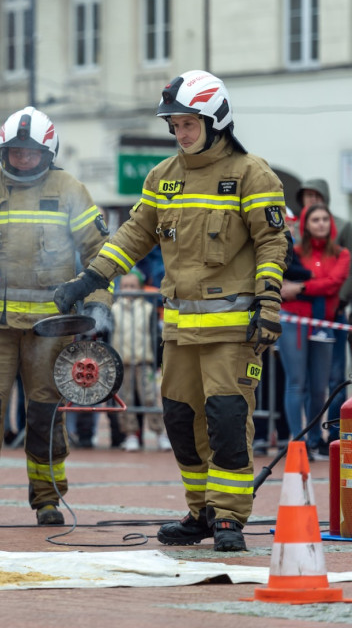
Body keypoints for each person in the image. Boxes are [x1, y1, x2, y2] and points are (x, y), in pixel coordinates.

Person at [54, 70, 289, 551]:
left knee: (227, 421)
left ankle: (229, 520)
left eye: (188, 124)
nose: (179, 134)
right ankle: (200, 512)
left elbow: (272, 241)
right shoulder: (163, 177)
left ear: (215, 120)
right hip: (180, 332)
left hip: (231, 332)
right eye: (175, 125)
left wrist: (269, 300)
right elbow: (134, 235)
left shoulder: (252, 174)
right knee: (181, 422)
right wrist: (91, 277)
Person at [0, 106, 111, 527]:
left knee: (45, 418)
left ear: (48, 153)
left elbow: (100, 256)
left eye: (30, 152)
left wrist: (99, 309)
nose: (22, 159)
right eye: (14, 152)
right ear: (2, 152)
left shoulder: (70, 190)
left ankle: (47, 499)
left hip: (52, 329)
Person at [278, 204, 349, 460]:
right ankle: (298, 442)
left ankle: (315, 439)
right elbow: (282, 283)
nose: (320, 224)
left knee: (320, 387)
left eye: (324, 219)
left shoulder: (342, 254)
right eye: (315, 219)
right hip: (293, 321)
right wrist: (303, 287)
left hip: (325, 325)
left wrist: (300, 287)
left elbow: (332, 285)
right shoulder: (293, 251)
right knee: (296, 383)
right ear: (306, 224)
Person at [296, 178, 352, 445]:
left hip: (335, 313)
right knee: (305, 380)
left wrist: (339, 299)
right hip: (302, 316)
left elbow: (344, 272)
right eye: (306, 195)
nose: (311, 199)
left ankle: (338, 430)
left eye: (315, 194)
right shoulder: (296, 232)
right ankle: (310, 435)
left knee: (335, 376)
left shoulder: (342, 226)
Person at [112, 270, 170, 452]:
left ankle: (160, 433)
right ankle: (130, 434)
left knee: (150, 398)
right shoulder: (113, 309)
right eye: (125, 286)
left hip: (144, 361)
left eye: (133, 286)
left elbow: (155, 335)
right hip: (122, 363)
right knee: (125, 400)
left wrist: (158, 361)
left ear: (140, 288)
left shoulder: (147, 309)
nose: (129, 290)